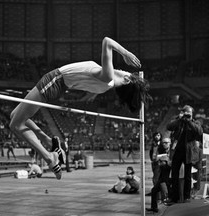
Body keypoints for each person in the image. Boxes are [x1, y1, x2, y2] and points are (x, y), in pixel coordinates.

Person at [9, 37, 151, 180]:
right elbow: (94, 79)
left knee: (15, 125)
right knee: (14, 115)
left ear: (126, 80)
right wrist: (92, 93)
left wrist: (126, 54)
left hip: (54, 81)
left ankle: (48, 157)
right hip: (58, 84)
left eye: (128, 74)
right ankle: (48, 141)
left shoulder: (108, 76)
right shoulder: (106, 83)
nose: (124, 70)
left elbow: (107, 41)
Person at [165, 105, 203, 205]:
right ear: (182, 112)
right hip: (177, 150)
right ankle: (174, 197)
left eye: (189, 113)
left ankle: (186, 196)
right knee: (174, 175)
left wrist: (189, 121)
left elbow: (199, 132)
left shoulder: (195, 122)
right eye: (185, 112)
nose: (187, 115)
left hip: (188, 151)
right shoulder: (178, 121)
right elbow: (168, 127)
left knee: (187, 175)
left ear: (192, 114)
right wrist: (180, 119)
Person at [146, 138, 172, 213]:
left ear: (170, 143)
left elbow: (172, 164)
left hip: (169, 176)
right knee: (154, 190)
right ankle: (154, 207)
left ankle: (170, 211)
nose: (164, 144)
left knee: (169, 193)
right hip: (162, 175)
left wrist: (166, 163)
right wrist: (160, 163)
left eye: (166, 143)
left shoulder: (172, 152)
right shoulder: (162, 151)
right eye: (163, 143)